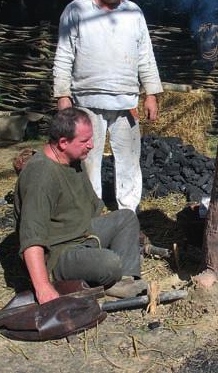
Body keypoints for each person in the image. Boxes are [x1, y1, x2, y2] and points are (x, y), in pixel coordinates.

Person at [53, 0, 163, 211]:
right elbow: (64, 55)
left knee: (129, 160)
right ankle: (92, 214)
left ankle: (128, 213)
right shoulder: (77, 10)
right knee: (88, 160)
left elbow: (145, 55)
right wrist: (63, 96)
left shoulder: (134, 13)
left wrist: (150, 93)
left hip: (126, 102)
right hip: (87, 101)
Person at [14, 108, 147, 304]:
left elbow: (92, 207)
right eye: (84, 141)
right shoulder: (40, 176)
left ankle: (123, 281)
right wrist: (43, 288)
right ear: (63, 142)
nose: (91, 145)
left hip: (82, 232)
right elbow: (31, 238)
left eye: (91, 138)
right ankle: (109, 274)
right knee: (110, 263)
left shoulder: (72, 159)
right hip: (59, 252)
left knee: (126, 217)